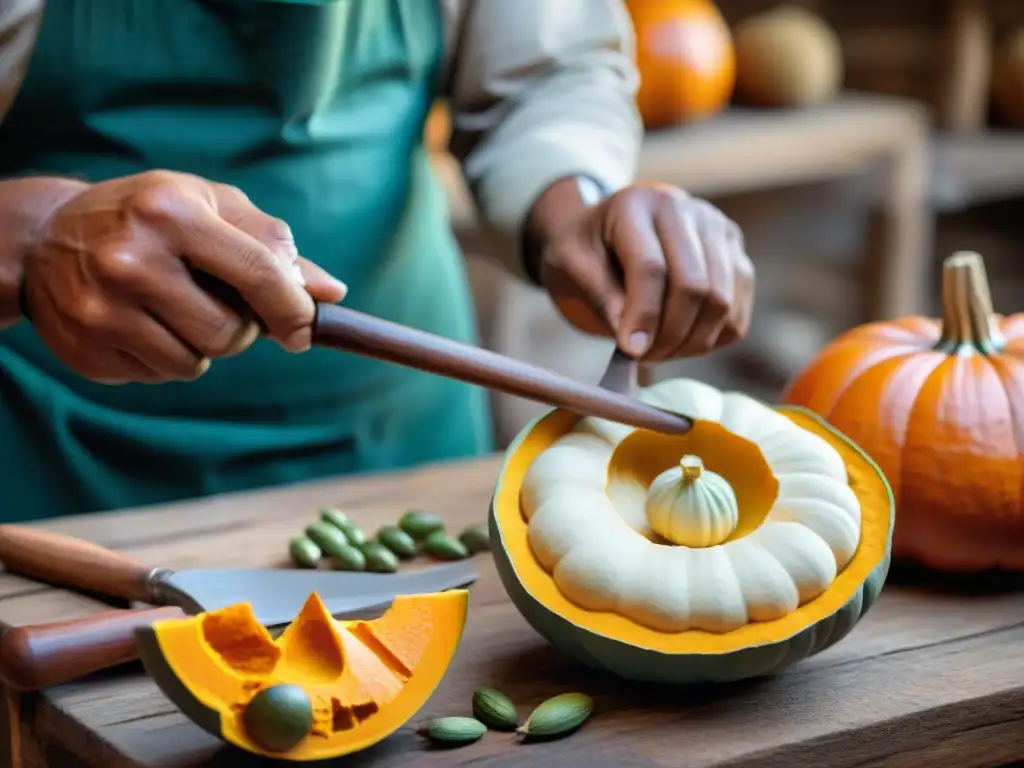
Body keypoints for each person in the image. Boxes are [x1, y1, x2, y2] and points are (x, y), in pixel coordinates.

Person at [0, 0, 754, 520]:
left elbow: (545, 73)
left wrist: (577, 207)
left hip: (403, 450)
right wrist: (29, 240)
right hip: (42, 471)